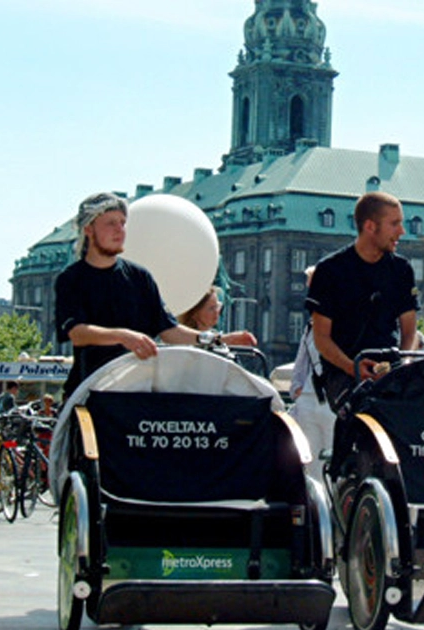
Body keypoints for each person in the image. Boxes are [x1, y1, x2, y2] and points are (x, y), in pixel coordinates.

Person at [55, 192, 256, 399]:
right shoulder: (71, 279)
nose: (120, 230)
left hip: (139, 391)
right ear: (88, 229)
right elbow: (77, 334)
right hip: (89, 391)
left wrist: (217, 339)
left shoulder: (139, 277)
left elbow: (169, 331)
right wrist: (124, 336)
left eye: (123, 223)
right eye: (111, 223)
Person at [306, 191, 420, 411]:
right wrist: (353, 368)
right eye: (394, 224)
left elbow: (410, 332)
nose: (402, 231)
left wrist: (402, 367)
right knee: (367, 409)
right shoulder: (329, 271)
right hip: (343, 373)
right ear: (370, 226)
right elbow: (321, 338)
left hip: (390, 370)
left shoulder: (402, 270)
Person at [289, 266, 336, 480]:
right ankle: (316, 500)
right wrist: (297, 389)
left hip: (334, 400)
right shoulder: (311, 325)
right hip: (309, 398)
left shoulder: (346, 321)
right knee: (310, 465)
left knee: (334, 464)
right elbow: (302, 360)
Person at [178, 286, 255, 343]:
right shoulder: (184, 341)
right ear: (195, 313)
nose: (217, 311)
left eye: (217, 306)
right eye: (211, 308)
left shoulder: (216, 337)